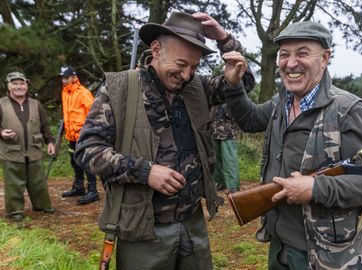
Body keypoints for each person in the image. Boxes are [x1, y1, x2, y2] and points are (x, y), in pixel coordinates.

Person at [74, 11, 254, 269]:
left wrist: (225, 39)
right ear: (156, 49)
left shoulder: (197, 88)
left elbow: (243, 81)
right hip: (144, 228)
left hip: (193, 224)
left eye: (194, 67)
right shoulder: (119, 90)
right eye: (181, 65)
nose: (187, 75)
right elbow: (87, 151)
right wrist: (145, 172)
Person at [222, 21, 362, 269]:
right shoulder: (282, 101)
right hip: (279, 244)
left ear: (325, 58)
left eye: (302, 53)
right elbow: (250, 119)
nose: (290, 63)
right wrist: (234, 87)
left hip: (325, 253)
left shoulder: (349, 110)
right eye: (284, 55)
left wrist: (315, 187)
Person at [0, 72, 55, 221]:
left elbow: (44, 125)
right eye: (15, 83)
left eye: (22, 83)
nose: (19, 87)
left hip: (34, 149)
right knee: (13, 183)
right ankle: (15, 211)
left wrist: (50, 142)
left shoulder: (35, 104)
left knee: (38, 180)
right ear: (9, 85)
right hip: (11, 151)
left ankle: (42, 205)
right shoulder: (1, 104)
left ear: (26, 85)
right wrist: (1, 132)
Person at [59, 66, 99, 205]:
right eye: (62, 77)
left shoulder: (83, 93)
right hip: (71, 135)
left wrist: (89, 131)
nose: (63, 80)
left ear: (74, 77)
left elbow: (94, 113)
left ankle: (93, 191)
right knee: (74, 162)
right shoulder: (65, 92)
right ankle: (79, 187)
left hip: (83, 135)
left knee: (86, 162)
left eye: (66, 77)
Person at [210, 104, 241, 193]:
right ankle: (219, 182)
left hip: (227, 124)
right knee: (216, 155)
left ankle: (232, 185)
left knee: (229, 157)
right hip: (214, 123)